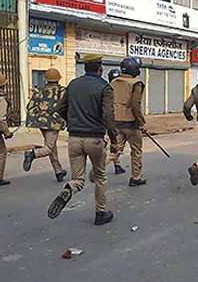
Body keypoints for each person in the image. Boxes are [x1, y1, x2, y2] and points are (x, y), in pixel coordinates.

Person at [47, 54, 116, 226]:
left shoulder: (73, 84)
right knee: (100, 176)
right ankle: (100, 213)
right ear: (100, 68)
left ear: (85, 68)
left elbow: (59, 108)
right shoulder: (104, 87)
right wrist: (113, 139)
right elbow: (108, 116)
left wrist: (72, 121)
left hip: (74, 139)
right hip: (95, 139)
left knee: (78, 178)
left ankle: (70, 188)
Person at [22, 68, 68, 182]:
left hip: (41, 122)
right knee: (49, 148)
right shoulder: (63, 91)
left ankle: (58, 172)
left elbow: (29, 107)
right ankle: (32, 154)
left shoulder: (39, 91)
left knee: (51, 146)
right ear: (58, 79)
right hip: (54, 123)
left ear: (46, 79)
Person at [111, 57, 147, 187]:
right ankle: (136, 177)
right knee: (136, 150)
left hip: (116, 121)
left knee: (117, 149)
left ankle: (101, 167)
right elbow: (135, 105)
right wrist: (141, 123)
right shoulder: (136, 83)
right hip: (131, 123)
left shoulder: (114, 82)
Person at [88, 68, 125, 183]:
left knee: (105, 145)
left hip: (101, 122)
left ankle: (117, 165)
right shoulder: (117, 90)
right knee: (117, 146)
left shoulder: (103, 87)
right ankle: (100, 167)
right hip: (114, 122)